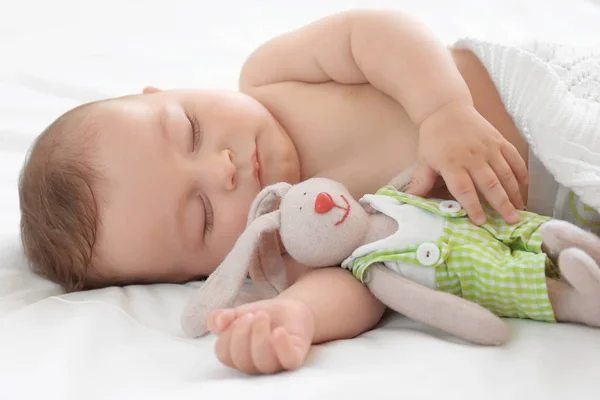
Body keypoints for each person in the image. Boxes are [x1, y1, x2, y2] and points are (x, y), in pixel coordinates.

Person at [21, 9, 554, 374]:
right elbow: (362, 290)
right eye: (204, 215)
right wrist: (297, 314)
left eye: (190, 130)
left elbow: (376, 33)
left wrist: (443, 111)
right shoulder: (290, 247)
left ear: (168, 91)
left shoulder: (271, 75)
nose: (223, 168)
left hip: (542, 97)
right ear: (206, 273)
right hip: (564, 205)